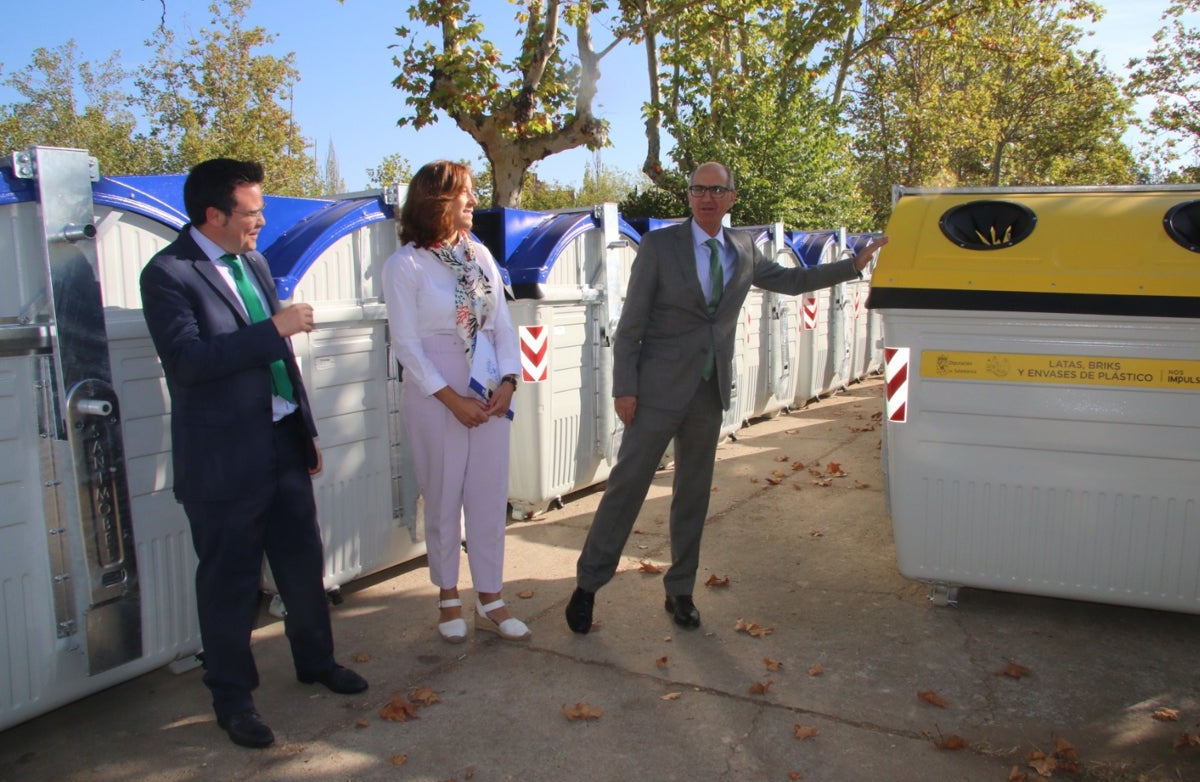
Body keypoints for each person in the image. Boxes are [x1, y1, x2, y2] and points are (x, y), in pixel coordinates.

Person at [565, 162, 887, 634]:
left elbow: (793, 282)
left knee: (692, 495)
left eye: (716, 190)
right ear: (689, 196)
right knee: (627, 487)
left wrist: (852, 265)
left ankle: (680, 591)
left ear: (732, 198)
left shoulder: (743, 249)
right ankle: (587, 586)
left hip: (707, 392)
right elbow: (630, 323)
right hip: (654, 392)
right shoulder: (659, 246)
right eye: (698, 189)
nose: (706, 197)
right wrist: (625, 388)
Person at [139, 158, 367, 749]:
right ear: (213, 215)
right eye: (252, 212)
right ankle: (233, 699)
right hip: (223, 462)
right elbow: (188, 364)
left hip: (282, 442)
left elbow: (280, 365)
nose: (261, 221)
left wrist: (305, 429)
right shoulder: (168, 274)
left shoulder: (255, 262)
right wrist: (276, 329)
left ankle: (316, 662)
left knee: (301, 566)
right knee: (230, 583)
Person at [382, 160, 531, 644]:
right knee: (444, 493)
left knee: (488, 493)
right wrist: (450, 399)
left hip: (487, 381)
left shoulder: (479, 256)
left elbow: (502, 324)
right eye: (463, 193)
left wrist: (509, 380)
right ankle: (448, 595)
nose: (472, 201)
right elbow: (406, 345)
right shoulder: (404, 265)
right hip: (435, 386)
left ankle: (491, 595)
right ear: (436, 202)